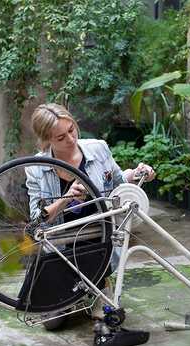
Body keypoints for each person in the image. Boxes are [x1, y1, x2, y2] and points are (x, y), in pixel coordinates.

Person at [26, 103, 155, 333]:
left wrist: (136, 175)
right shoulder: (37, 167)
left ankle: (100, 284)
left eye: (72, 130)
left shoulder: (98, 149)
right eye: (60, 137)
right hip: (62, 245)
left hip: (98, 238)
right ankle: (72, 289)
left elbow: (118, 183)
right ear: (47, 141)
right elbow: (37, 219)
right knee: (52, 324)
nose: (71, 139)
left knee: (105, 317)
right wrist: (65, 198)